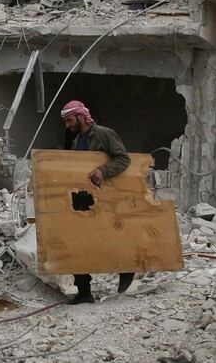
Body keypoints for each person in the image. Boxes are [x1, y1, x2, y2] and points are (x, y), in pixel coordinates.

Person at [60, 99, 134, 304]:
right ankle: (84, 291)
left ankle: (126, 268)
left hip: (105, 198)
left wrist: (103, 171)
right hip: (83, 199)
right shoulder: (77, 141)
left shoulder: (103, 134)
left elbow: (123, 159)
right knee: (77, 242)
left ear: (81, 116)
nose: (68, 126)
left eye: (69, 120)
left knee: (110, 236)